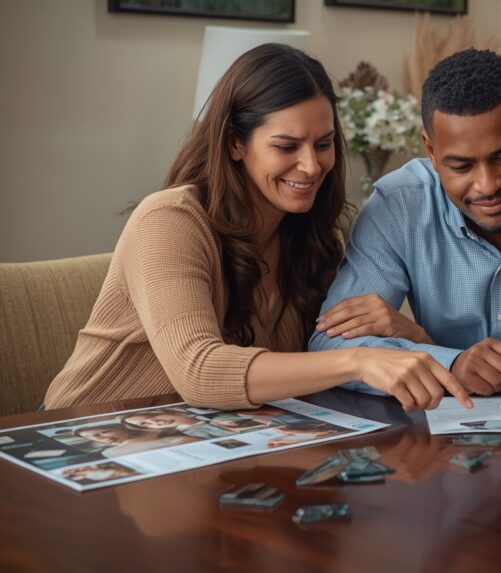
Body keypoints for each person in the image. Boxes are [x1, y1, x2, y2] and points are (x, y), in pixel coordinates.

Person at [43, 44, 468, 413]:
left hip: (201, 445)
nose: (312, 165)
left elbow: (313, 363)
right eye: (286, 146)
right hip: (78, 438)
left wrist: (407, 332)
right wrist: (358, 359)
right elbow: (199, 370)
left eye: (323, 144)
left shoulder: (317, 239)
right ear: (234, 142)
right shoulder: (168, 220)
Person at [310, 49, 501, 399]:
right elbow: (328, 346)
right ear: (431, 151)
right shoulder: (399, 206)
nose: (487, 185)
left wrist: (418, 341)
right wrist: (448, 363)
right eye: (461, 166)